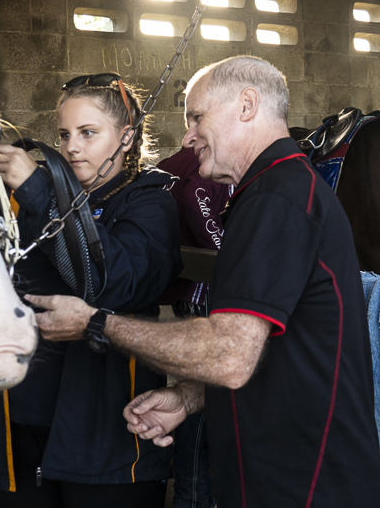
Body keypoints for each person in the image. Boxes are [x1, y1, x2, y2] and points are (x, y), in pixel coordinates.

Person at [28, 56, 380, 507]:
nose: (188, 137)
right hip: (275, 476)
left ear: (247, 105)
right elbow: (265, 347)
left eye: (197, 117)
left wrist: (95, 323)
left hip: (305, 485)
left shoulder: (279, 198)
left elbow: (229, 355)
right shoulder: (269, 192)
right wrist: (189, 397)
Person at [0, 73, 182, 508]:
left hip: (104, 436)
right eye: (65, 134)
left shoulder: (148, 201)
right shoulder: (30, 201)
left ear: (126, 137)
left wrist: (38, 192)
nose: (72, 147)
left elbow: (114, 282)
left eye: (88, 133)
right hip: (17, 426)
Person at [157, 147, 232, 508]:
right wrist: (228, 257)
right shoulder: (213, 158)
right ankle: (192, 497)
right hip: (205, 293)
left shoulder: (172, 161)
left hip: (186, 290)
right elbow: (195, 197)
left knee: (195, 392)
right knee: (206, 397)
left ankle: (192, 494)